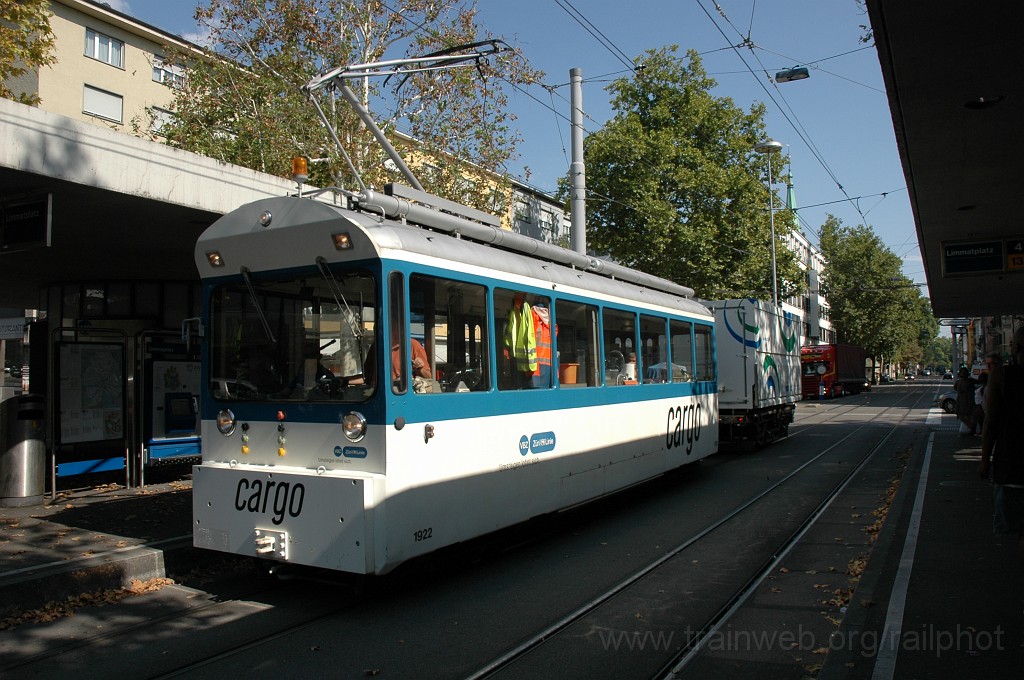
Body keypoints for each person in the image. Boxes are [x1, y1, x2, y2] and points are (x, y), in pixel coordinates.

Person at [980, 326, 1024, 563]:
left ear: (1014, 348)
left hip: (1013, 464)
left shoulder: (1002, 376)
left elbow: (991, 421)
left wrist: (985, 459)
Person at [503, 292, 537, 388]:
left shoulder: (526, 311)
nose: (515, 297)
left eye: (518, 295)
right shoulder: (513, 312)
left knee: (525, 386)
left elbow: (529, 338)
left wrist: (530, 366)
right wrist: (506, 347)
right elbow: (509, 331)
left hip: (525, 363)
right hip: (515, 357)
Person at [954, 366, 975, 435]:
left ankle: (971, 428)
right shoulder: (958, 381)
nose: (963, 374)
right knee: (961, 414)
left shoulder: (970, 381)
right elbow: (955, 388)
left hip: (968, 399)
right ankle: (970, 427)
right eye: (962, 372)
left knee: (969, 415)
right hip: (961, 399)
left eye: (964, 372)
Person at [972, 371, 987, 436]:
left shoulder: (983, 388)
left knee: (981, 420)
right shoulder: (982, 386)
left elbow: (983, 398)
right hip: (979, 405)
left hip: (980, 405)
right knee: (980, 420)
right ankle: (981, 431)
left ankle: (982, 431)